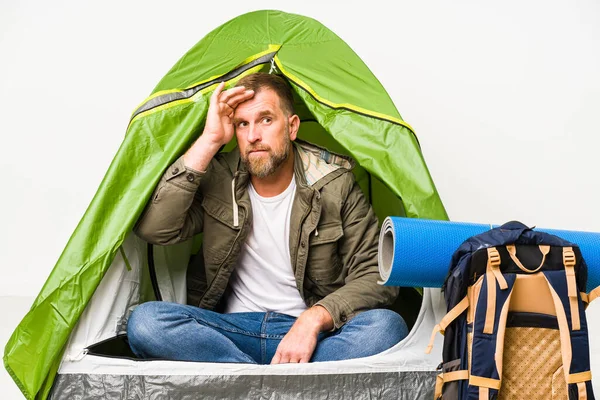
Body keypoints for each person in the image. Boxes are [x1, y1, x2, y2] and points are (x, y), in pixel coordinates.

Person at [127, 72, 407, 364]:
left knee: (386, 328)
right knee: (146, 322)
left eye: (265, 120)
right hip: (231, 332)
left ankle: (244, 381)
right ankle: (280, 383)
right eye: (242, 124)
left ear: (292, 126)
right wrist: (210, 140)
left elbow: (376, 276)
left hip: (310, 338)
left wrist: (313, 320)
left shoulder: (334, 184)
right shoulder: (219, 177)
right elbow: (155, 229)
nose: (252, 136)